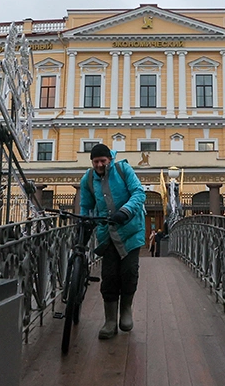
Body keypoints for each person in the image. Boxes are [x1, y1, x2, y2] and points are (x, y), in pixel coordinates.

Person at [79, 143, 145, 339]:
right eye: (96, 161)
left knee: (129, 272)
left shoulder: (123, 169)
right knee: (109, 277)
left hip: (131, 231)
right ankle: (109, 321)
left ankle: (126, 311)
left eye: (103, 161)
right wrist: (85, 222)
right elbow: (86, 205)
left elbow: (139, 193)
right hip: (107, 234)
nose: (99, 165)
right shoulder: (88, 179)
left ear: (109, 159)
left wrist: (125, 212)